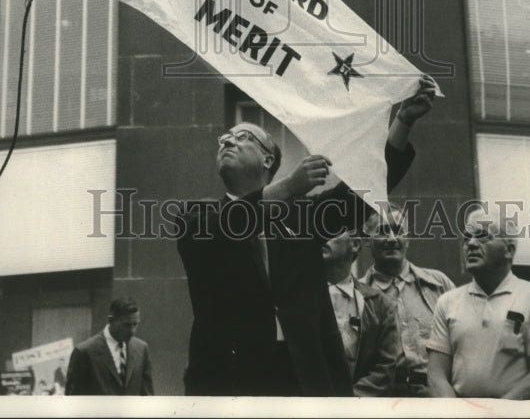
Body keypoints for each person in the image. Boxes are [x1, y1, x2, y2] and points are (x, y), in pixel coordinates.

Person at [177, 75, 438, 397]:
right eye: (223, 139)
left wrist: (403, 121)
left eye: (241, 136)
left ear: (268, 159)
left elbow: (362, 193)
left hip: (303, 376)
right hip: (229, 379)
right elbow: (226, 227)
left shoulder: (299, 216)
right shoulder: (198, 217)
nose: (226, 142)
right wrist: (290, 186)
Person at [427, 205, 530, 399]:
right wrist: (456, 413)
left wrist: (493, 414)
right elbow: (436, 375)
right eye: (466, 238)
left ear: (509, 250)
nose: (471, 244)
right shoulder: (447, 303)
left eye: (482, 236)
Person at [360, 200, 454, 396]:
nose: (392, 239)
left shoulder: (439, 284)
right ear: (367, 239)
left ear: (408, 239)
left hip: (436, 396)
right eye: (383, 231)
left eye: (399, 230)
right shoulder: (359, 295)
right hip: (384, 400)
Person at [323, 230, 399, 396]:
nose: (321, 237)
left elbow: (385, 368)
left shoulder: (380, 304)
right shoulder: (298, 300)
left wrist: (350, 401)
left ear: (355, 244)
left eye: (331, 231)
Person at [65, 297, 154, 395]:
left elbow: (147, 397)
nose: (132, 331)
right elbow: (73, 401)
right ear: (111, 320)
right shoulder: (84, 352)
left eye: (135, 324)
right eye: (126, 325)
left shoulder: (142, 349)